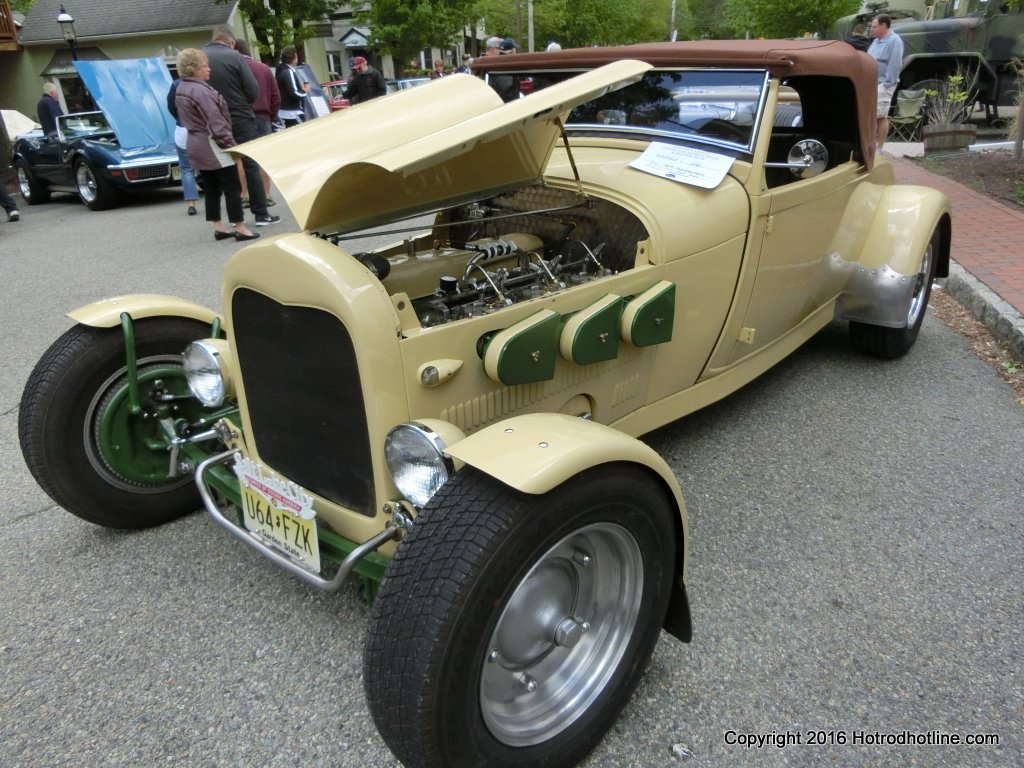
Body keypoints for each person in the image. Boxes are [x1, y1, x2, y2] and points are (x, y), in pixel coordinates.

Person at [174, 48, 258, 242]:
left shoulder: (181, 88)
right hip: (212, 142)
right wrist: (231, 146)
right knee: (232, 185)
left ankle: (219, 226)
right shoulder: (201, 90)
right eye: (205, 66)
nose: (209, 69)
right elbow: (215, 122)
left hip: (194, 142)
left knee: (211, 187)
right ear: (194, 68)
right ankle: (240, 226)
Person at [203, 26, 280, 227]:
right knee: (250, 164)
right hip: (240, 117)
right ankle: (261, 214)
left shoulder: (201, 58)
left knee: (225, 167)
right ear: (230, 42)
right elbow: (252, 89)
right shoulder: (234, 56)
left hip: (213, 120)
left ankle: (235, 218)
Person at [233, 39, 279, 207]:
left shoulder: (234, 69)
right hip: (263, 117)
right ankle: (266, 194)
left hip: (241, 117)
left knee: (240, 158)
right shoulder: (264, 69)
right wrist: (271, 115)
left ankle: (244, 194)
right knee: (263, 158)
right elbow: (276, 96)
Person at [868, 14, 905, 150]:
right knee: (871, 116)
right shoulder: (876, 40)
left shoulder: (894, 41)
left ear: (884, 26)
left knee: (880, 116)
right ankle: (870, 145)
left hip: (884, 84)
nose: (872, 29)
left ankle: (879, 148)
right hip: (871, 83)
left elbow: (894, 65)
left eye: (874, 27)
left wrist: (886, 85)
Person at [166, 79, 201, 216]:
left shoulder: (176, 85)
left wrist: (179, 117)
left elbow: (170, 106)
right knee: (207, 165)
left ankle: (191, 203)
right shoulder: (200, 84)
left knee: (186, 168)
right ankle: (213, 196)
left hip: (182, 128)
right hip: (199, 129)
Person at [275, 46, 308, 128]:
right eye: (296, 57)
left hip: (284, 112)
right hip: (292, 113)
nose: (297, 59)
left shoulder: (280, 71)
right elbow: (294, 92)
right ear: (292, 59)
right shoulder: (288, 72)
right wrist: (305, 91)